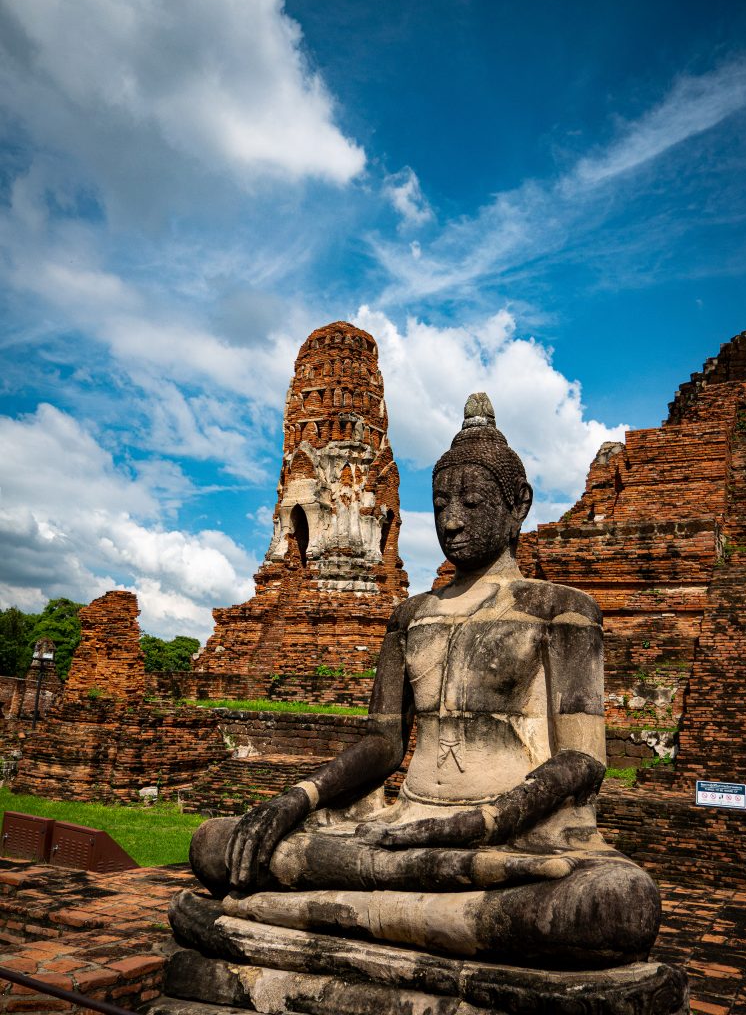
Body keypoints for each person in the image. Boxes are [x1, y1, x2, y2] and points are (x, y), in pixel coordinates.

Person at [182, 393, 660, 966]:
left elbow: (583, 760)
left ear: (518, 507)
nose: (452, 519)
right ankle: (428, 921)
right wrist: (295, 798)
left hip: (511, 835)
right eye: (439, 503)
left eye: (473, 502)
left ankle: (291, 917)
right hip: (402, 827)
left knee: (613, 903)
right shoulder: (410, 616)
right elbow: (383, 745)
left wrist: (484, 821)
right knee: (218, 845)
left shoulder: (560, 609)